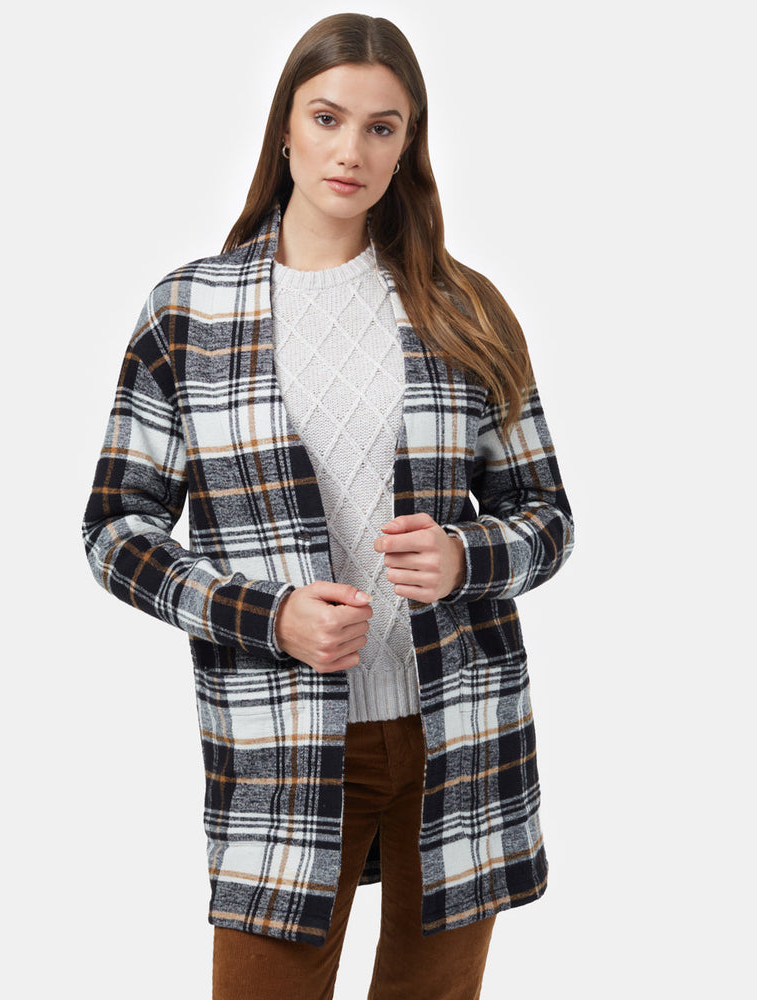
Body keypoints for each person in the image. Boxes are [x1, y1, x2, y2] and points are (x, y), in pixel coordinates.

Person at [82, 12, 574, 1000]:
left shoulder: (463, 307)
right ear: (285, 130)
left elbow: (545, 514)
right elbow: (116, 532)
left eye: (382, 127)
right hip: (282, 741)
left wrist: (466, 555)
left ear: (407, 146)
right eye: (327, 118)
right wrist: (266, 615)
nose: (351, 150)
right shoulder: (189, 312)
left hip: (455, 732)